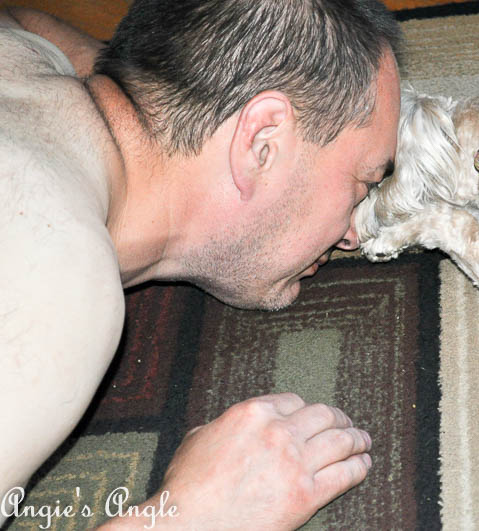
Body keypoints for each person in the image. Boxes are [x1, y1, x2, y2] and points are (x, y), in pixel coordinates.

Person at [0, 0, 401, 528]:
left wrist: (151, 100)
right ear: (261, 143)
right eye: (363, 183)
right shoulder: (57, 286)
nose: (353, 234)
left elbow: (20, 17)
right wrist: (194, 514)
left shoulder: (20, 60)